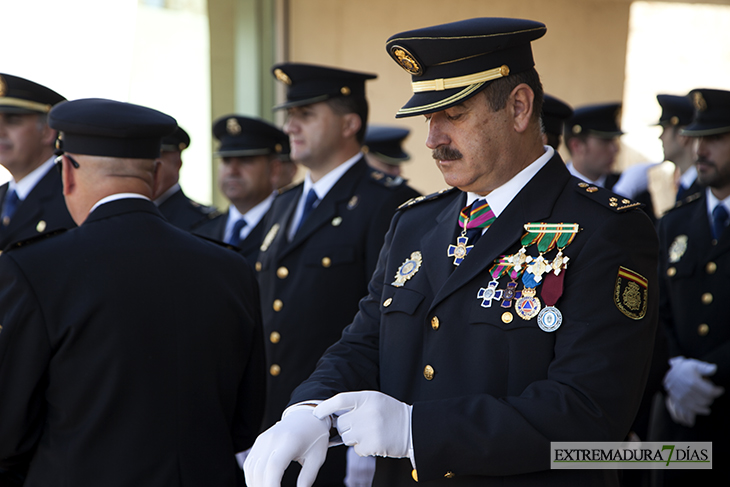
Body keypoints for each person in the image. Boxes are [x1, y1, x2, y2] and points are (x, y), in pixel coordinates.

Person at [245, 17, 658, 487]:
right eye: (427, 116)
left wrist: (415, 431)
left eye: (454, 114)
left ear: (519, 108)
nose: (432, 139)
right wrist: (310, 409)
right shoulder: (415, 221)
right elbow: (364, 342)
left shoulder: (605, 228)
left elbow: (589, 414)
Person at [0, 98, 265, 487]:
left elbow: (8, 431)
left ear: (68, 174)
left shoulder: (33, 269)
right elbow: (245, 423)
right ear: (156, 173)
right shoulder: (230, 267)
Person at [256, 62, 420, 486]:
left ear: (350, 123)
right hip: (287, 418)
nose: (291, 125)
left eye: (306, 114)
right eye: (290, 114)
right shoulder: (284, 203)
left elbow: (385, 327)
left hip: (347, 431)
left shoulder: (389, 203)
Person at [652, 88, 730, 487]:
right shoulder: (674, 223)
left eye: (715, 138)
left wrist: (712, 374)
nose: (701, 150)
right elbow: (655, 312)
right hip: (677, 422)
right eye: (698, 138)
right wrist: (671, 370)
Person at [195, 115, 288, 266]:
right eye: (226, 160)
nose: (232, 170)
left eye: (246, 160)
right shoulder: (203, 232)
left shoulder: (289, 225)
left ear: (274, 169)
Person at [0, 73, 74, 249]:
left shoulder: (71, 197)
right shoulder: (4, 196)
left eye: (13, 121)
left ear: (47, 132)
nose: (0, 132)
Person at [613, 94, 698, 223]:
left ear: (682, 135)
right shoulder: (685, 186)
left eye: (665, 129)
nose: (660, 137)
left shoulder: (700, 189)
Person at [154, 125, 221, 231]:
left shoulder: (202, 220)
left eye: (156, 161)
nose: (147, 167)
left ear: (177, 164)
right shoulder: (127, 210)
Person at [564, 102, 623, 190]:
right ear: (577, 146)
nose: (615, 149)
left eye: (614, 141)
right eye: (605, 141)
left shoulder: (624, 185)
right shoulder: (554, 187)